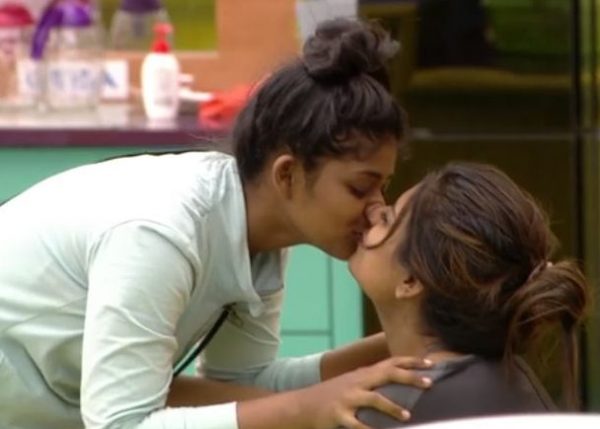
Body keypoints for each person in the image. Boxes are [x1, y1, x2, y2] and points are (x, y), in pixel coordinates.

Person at [0, 18, 434, 429]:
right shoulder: (161, 233)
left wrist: (408, 339)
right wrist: (312, 406)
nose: (378, 209)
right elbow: (121, 424)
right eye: (360, 188)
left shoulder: (256, 235)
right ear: (287, 174)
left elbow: (243, 383)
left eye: (383, 188)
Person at [348, 162, 591, 428]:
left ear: (411, 280)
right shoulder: (516, 380)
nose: (372, 213)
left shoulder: (388, 407)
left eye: (387, 220)